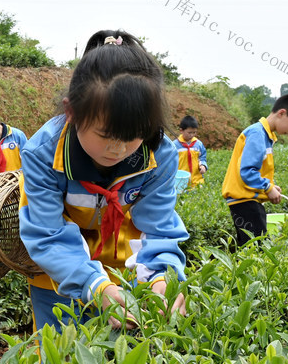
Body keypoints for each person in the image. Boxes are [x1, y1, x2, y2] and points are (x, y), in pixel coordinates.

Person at [18, 30, 188, 333]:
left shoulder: (160, 154)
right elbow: (48, 233)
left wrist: (163, 278)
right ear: (72, 112)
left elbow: (159, 228)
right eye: (106, 136)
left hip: (129, 277)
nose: (118, 149)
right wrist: (94, 285)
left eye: (133, 136)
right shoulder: (43, 154)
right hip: (59, 277)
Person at [222, 94, 288, 247]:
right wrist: (267, 187)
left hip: (248, 200)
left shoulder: (265, 135)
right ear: (281, 113)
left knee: (252, 247)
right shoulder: (257, 134)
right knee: (257, 249)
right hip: (244, 201)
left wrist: (270, 188)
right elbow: (248, 171)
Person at [172, 115, 207, 188]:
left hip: (197, 180)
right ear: (181, 130)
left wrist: (203, 165)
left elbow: (202, 157)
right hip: (180, 180)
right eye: (189, 132)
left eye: (194, 132)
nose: (192, 135)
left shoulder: (198, 144)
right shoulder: (174, 145)